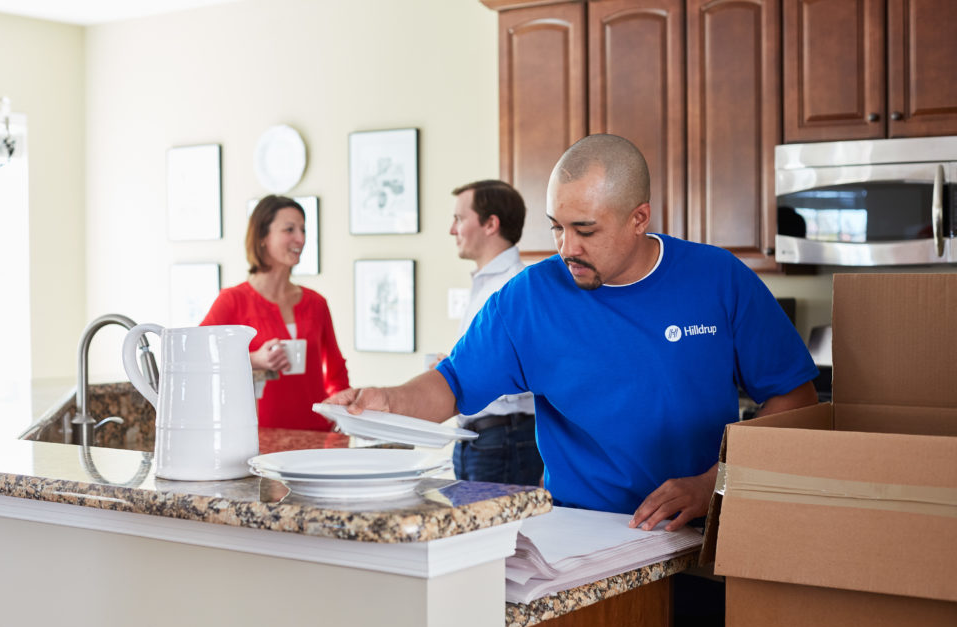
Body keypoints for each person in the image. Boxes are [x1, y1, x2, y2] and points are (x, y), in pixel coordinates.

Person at [327, 134, 818, 531]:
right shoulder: (529, 298)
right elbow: (451, 385)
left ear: (638, 218)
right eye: (556, 227)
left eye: (585, 230)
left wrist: (717, 483)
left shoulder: (719, 278)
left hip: (706, 528)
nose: (566, 247)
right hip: (582, 537)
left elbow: (795, 396)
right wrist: (388, 401)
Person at [201, 195, 349, 431]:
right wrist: (254, 360)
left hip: (317, 435)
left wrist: (342, 420)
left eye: (303, 229)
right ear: (262, 237)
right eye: (289, 229)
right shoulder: (232, 301)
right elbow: (198, 358)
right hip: (258, 438)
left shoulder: (317, 303)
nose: (300, 238)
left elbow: (336, 372)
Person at [439, 180, 543, 485]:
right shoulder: (483, 285)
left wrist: (469, 372)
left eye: (459, 218)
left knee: (499, 534)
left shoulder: (518, 286)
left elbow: (537, 369)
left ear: (490, 224)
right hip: (476, 439)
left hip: (504, 439)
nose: (452, 229)